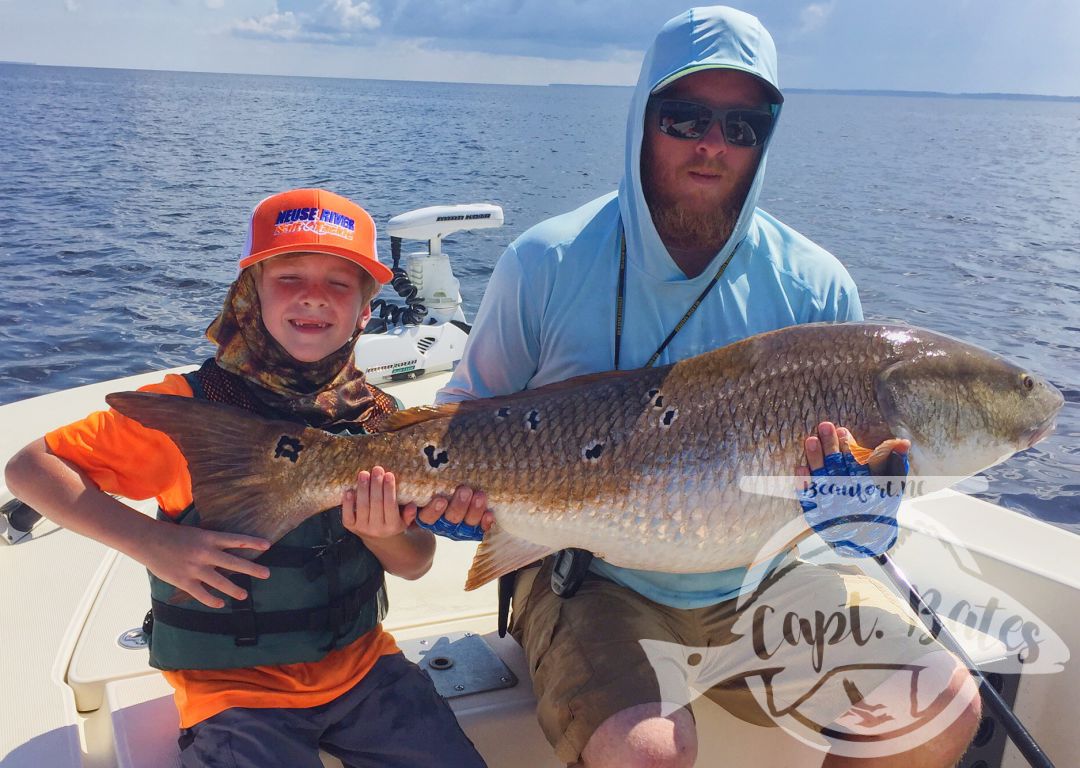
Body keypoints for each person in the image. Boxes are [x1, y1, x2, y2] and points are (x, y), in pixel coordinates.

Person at [433, 7, 981, 768]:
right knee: (648, 751)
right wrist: (454, 503)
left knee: (940, 700)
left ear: (764, 138)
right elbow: (462, 417)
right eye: (685, 116)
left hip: (769, 575)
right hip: (590, 575)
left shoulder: (817, 286)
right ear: (642, 118)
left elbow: (860, 505)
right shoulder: (547, 262)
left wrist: (861, 509)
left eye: (742, 125)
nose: (712, 145)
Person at [5, 188, 486, 768]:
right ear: (249, 295)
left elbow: (414, 563)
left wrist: (383, 534)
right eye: (289, 277)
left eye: (340, 282)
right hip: (230, 688)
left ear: (365, 310)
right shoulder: (189, 412)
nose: (314, 296)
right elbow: (31, 468)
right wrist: (154, 543)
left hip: (364, 668)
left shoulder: (384, 421)